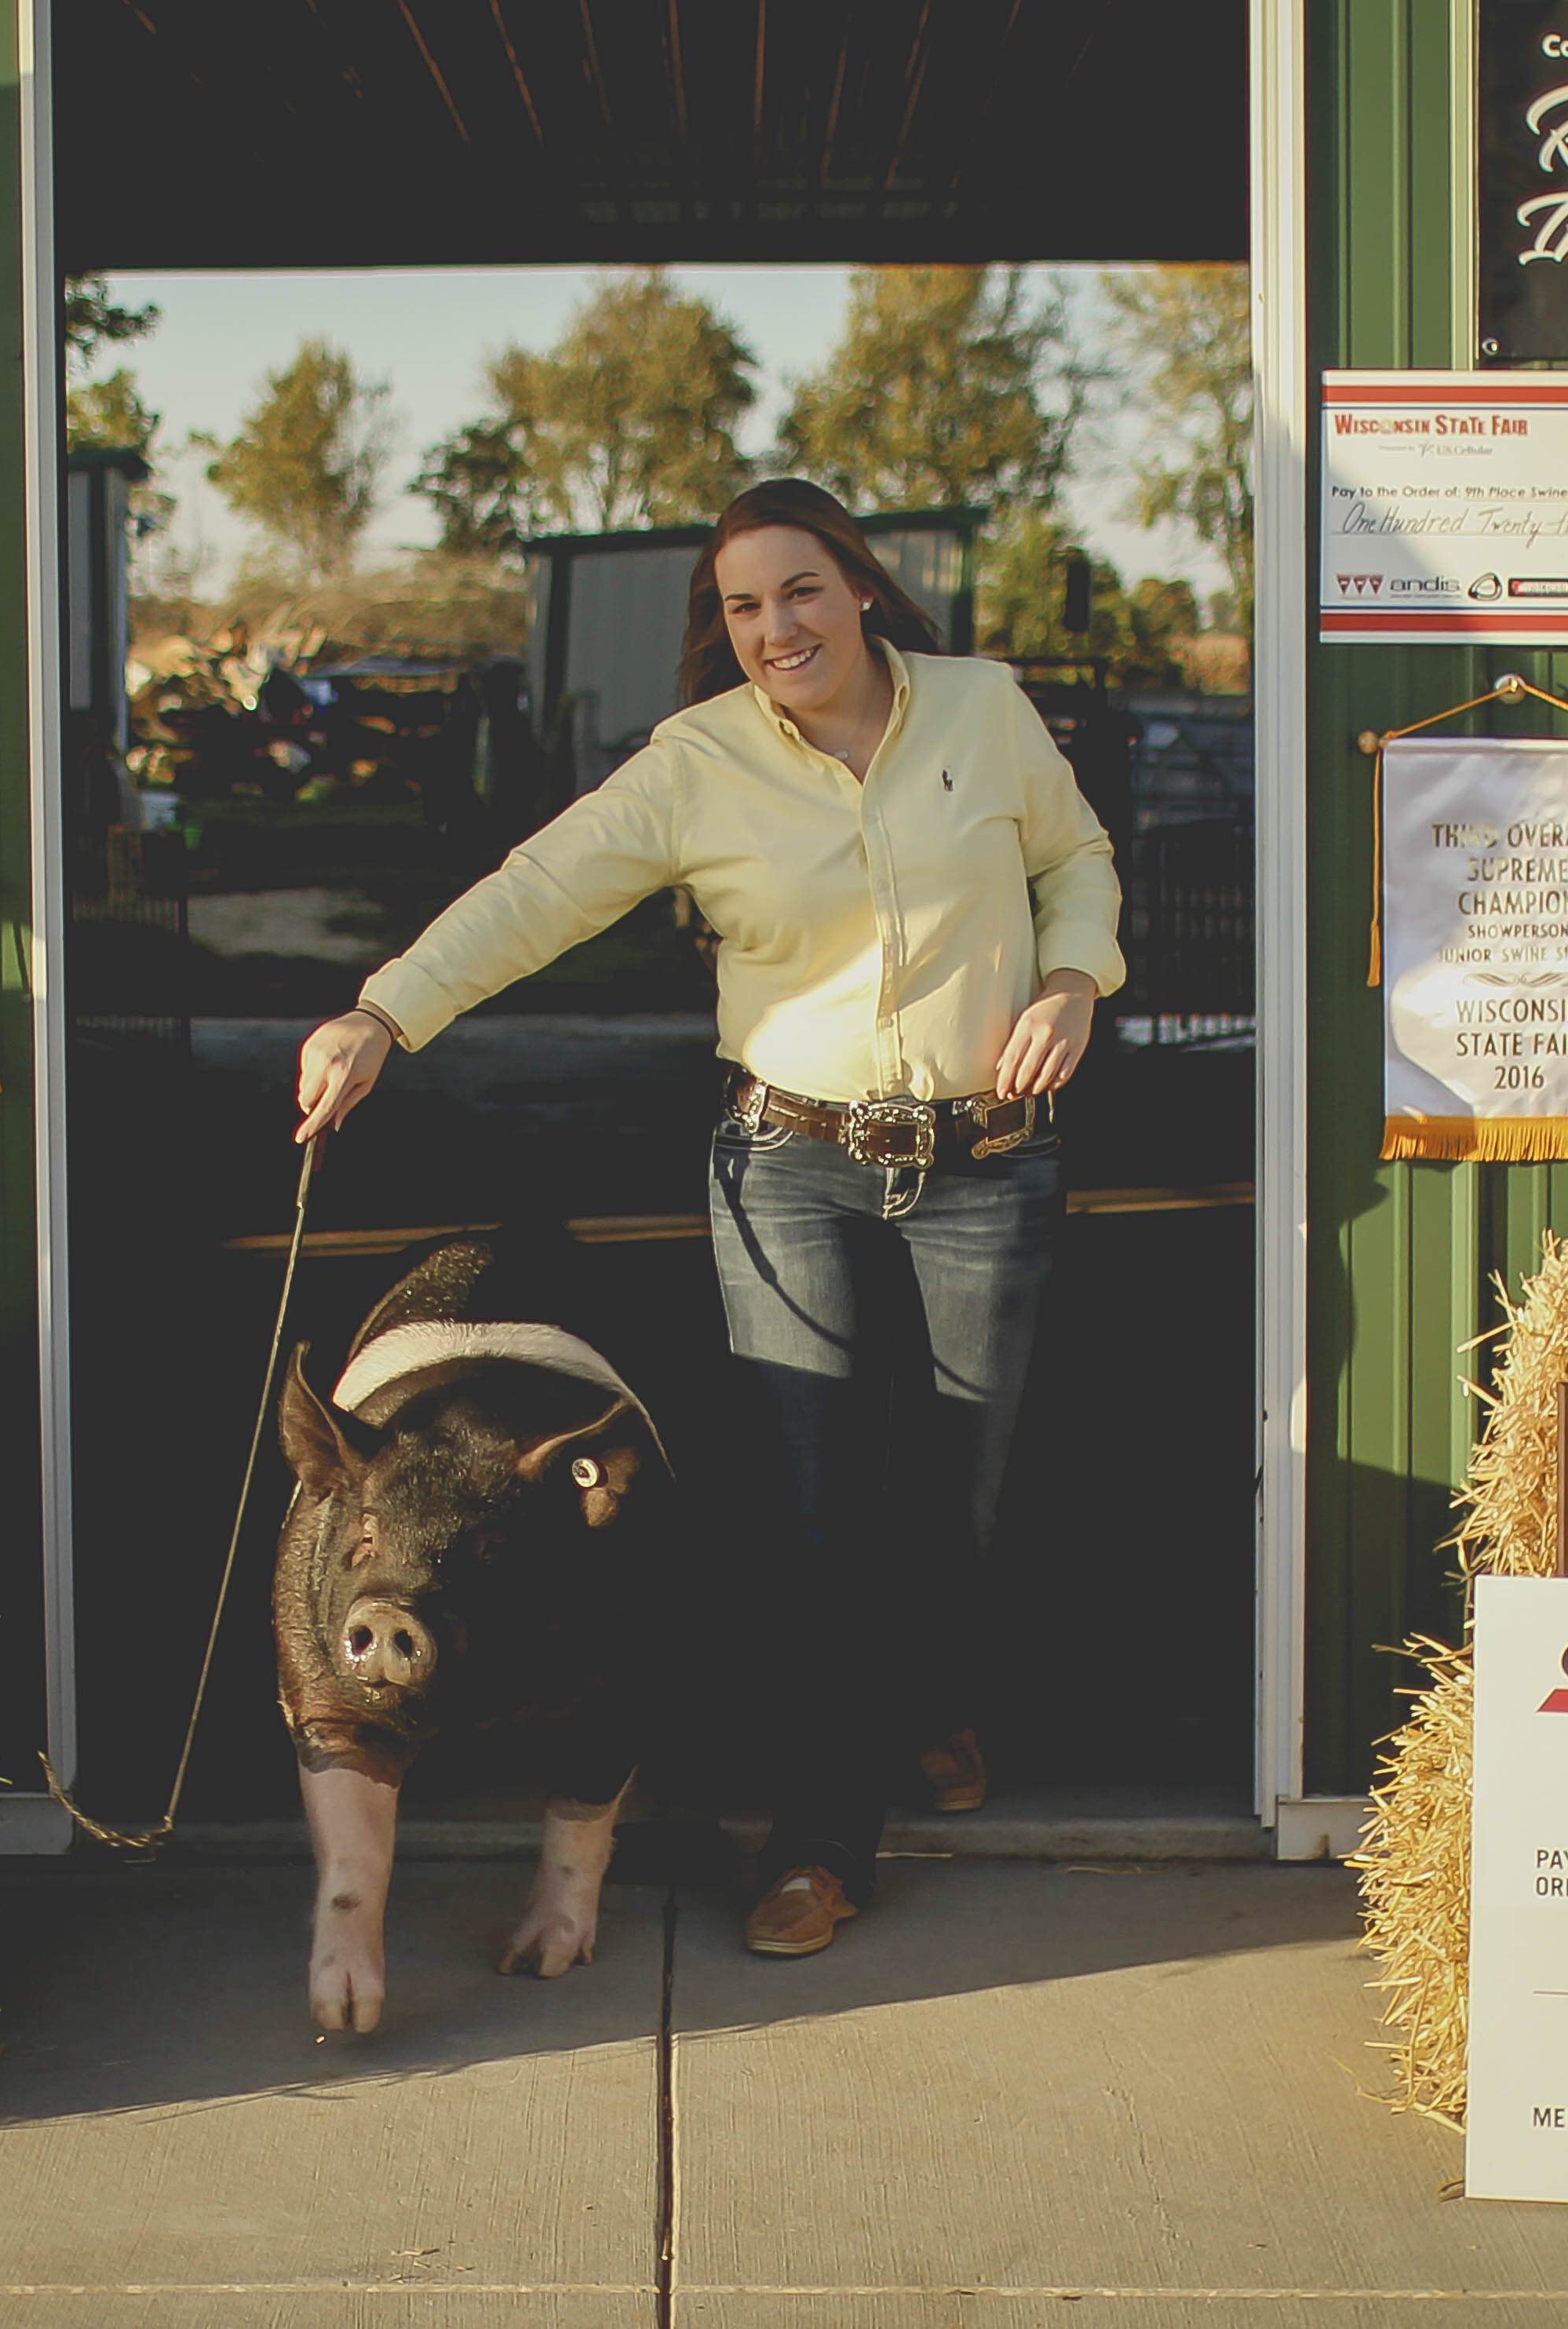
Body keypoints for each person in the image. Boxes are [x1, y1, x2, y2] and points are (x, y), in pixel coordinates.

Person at [295, 478, 1123, 1960]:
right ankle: (818, 1845)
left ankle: (926, 1694)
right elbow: (537, 892)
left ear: (860, 586)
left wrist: (1072, 979)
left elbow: (1075, 860)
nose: (773, 629)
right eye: (741, 608)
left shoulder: (985, 710)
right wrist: (383, 1012)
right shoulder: (699, 764)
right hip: (789, 1164)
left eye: (798, 592)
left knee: (955, 1503)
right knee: (815, 1516)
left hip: (984, 1164)